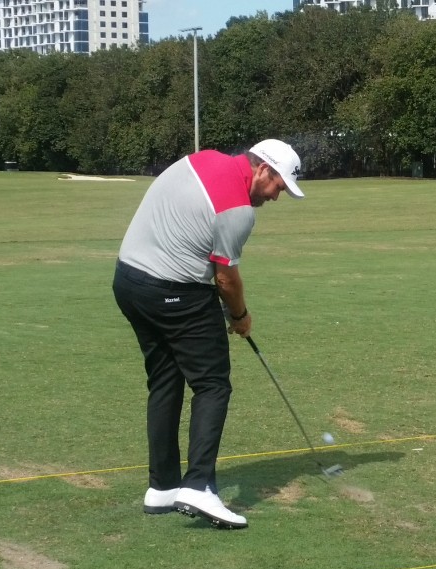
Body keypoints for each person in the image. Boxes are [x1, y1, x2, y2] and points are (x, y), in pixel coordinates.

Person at [113, 139, 305, 528]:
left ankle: (163, 487)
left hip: (128, 281)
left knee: (166, 379)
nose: (276, 197)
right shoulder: (239, 212)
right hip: (173, 290)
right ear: (262, 169)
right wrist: (240, 316)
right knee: (213, 384)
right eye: (278, 186)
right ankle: (198, 486)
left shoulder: (203, 159)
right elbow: (225, 278)